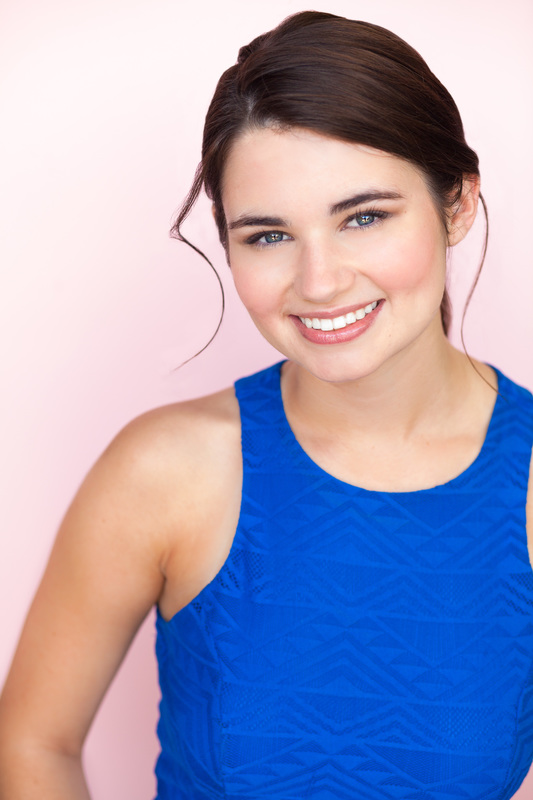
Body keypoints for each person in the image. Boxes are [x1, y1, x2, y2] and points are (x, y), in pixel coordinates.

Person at [1, 9, 532, 799]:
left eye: (363, 217)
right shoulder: (165, 470)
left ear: (455, 204)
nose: (319, 281)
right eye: (267, 235)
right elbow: (34, 743)